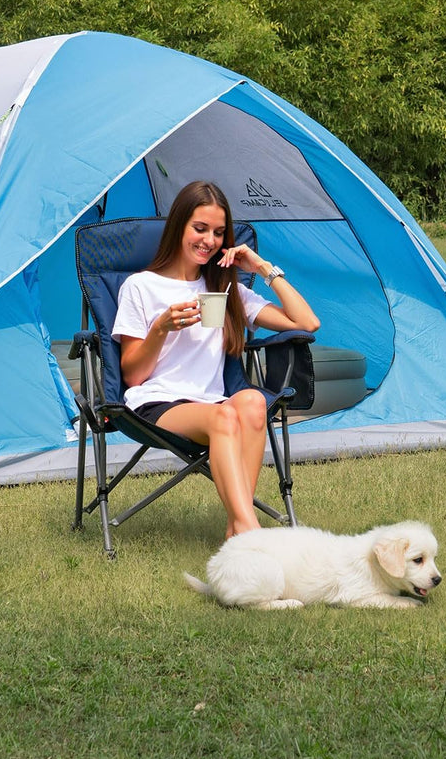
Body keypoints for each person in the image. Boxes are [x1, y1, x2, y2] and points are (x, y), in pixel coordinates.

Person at [112, 180, 320, 538]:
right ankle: (251, 534)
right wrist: (161, 328)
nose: (209, 240)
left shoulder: (226, 291)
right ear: (179, 226)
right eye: (200, 228)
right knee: (225, 416)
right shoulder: (140, 287)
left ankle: (237, 530)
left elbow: (307, 322)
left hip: (213, 400)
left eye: (219, 233)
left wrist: (261, 268)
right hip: (157, 403)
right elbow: (132, 376)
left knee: (253, 402)